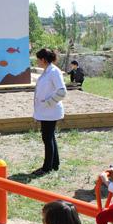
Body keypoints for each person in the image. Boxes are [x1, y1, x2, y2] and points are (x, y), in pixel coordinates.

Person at [32, 48, 67, 176]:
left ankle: (46, 168)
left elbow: (62, 91)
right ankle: (54, 164)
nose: (37, 62)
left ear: (43, 60)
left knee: (47, 138)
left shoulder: (54, 72)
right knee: (50, 137)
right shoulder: (48, 71)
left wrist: (47, 103)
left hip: (50, 111)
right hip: (46, 111)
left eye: (38, 59)